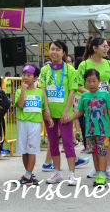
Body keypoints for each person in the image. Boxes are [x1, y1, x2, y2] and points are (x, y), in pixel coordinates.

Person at [76, 36, 110, 180]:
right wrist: (93, 94)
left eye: (107, 46)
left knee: (108, 138)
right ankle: (97, 168)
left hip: (107, 107)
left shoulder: (109, 64)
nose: (106, 49)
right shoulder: (84, 65)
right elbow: (78, 85)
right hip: (91, 110)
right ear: (94, 48)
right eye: (104, 46)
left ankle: (108, 168)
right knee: (94, 139)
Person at [39, 40, 79, 185]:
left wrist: (66, 111)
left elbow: (72, 91)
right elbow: (43, 90)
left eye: (57, 49)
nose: (54, 52)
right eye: (52, 49)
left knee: (68, 143)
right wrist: (46, 111)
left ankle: (72, 174)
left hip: (64, 114)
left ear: (63, 53)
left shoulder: (70, 70)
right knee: (53, 143)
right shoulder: (45, 70)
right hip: (49, 113)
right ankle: (57, 172)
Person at [72, 68, 110, 187]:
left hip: (103, 130)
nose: (91, 84)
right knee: (94, 153)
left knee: (102, 153)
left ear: (99, 81)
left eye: (94, 81)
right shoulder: (84, 96)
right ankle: (98, 173)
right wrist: (70, 119)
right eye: (88, 81)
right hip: (89, 131)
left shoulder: (105, 94)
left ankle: (102, 175)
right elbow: (80, 112)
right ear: (85, 82)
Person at [15, 64, 45, 185]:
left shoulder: (40, 92)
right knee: (24, 150)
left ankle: (28, 176)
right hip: (23, 123)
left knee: (32, 150)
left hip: (35, 125)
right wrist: (23, 90)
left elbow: (44, 108)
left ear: (35, 78)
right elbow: (20, 105)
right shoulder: (19, 91)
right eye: (24, 75)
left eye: (29, 75)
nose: (25, 77)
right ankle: (29, 174)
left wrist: (49, 119)